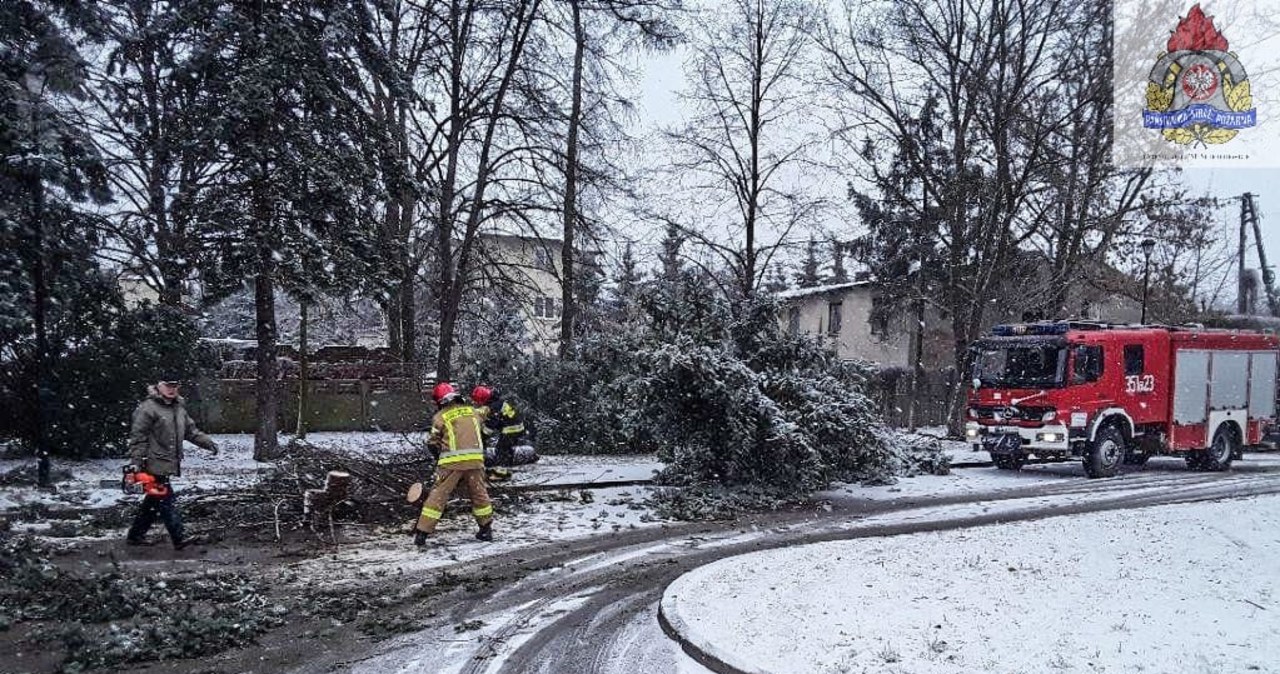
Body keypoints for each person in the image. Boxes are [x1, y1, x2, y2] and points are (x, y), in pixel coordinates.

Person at [125, 378, 219, 549]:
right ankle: (179, 538)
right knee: (166, 499)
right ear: (158, 387)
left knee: (153, 501)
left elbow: (191, 431)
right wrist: (136, 462)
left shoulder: (179, 408)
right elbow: (138, 438)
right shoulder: (148, 408)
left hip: (168, 463)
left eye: (175, 386)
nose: (171, 389)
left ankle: (135, 535)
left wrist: (208, 443)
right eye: (167, 385)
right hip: (152, 463)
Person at [415, 382, 494, 546]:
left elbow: (432, 443)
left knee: (438, 496)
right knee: (479, 494)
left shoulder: (440, 417)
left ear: (439, 401)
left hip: (451, 463)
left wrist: (439, 459)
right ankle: (486, 529)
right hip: (476, 461)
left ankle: (422, 533)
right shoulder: (473, 412)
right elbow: (486, 414)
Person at [471, 386, 528, 467]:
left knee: (502, 449)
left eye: (478, 402)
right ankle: (507, 463)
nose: (478, 404)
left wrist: (482, 436)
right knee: (505, 448)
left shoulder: (494, 407)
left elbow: (490, 425)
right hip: (514, 426)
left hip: (512, 429)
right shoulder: (496, 401)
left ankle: (503, 468)